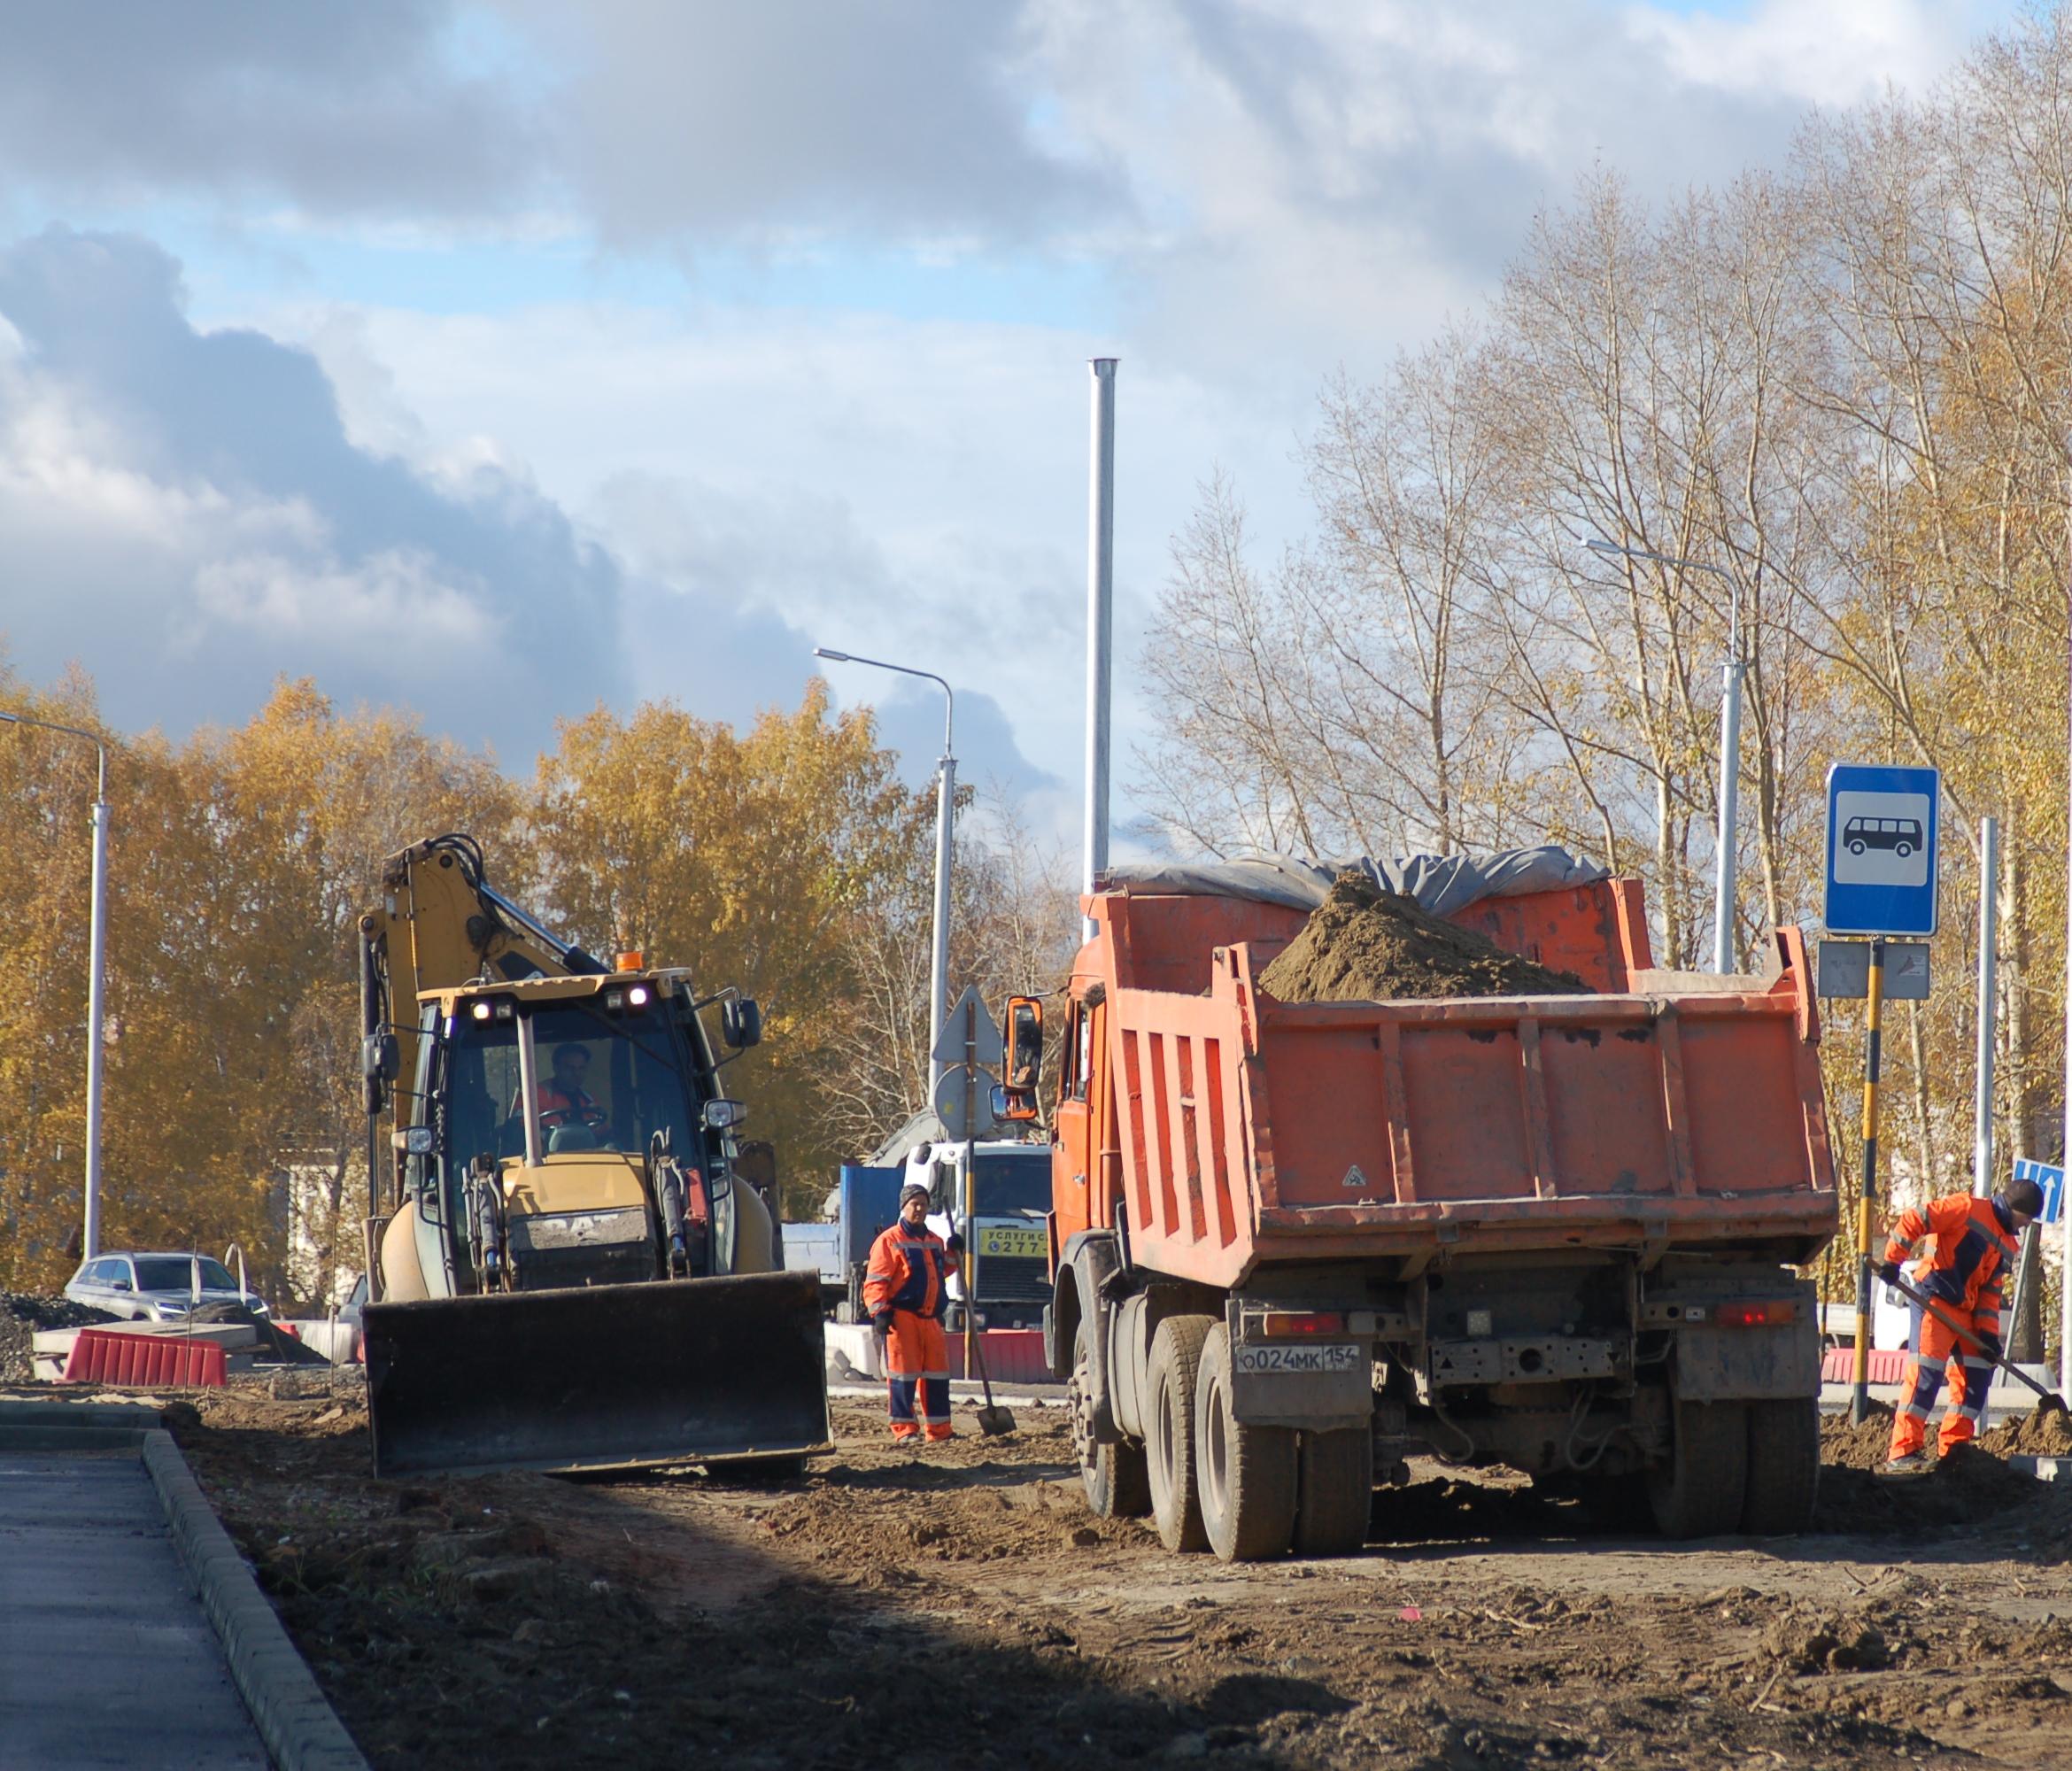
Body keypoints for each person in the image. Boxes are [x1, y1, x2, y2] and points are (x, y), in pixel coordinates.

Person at [1880, 1178, 2043, 1473]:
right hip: (1934, 1298)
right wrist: (1893, 1260)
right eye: (2027, 1219)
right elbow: (1917, 1217)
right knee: (1926, 1377)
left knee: (1976, 1381)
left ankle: (1954, 1454)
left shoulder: (2008, 1243)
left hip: (1966, 1310)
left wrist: (1988, 1336)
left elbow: (1990, 1292)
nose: (2026, 1225)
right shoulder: (1967, 1208)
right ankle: (1903, 1452)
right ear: (2015, 1208)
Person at [862, 1182, 956, 1444]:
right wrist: (880, 1311)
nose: (919, 1209)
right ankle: (905, 1430)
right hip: (902, 1319)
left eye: (923, 1204)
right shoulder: (889, 1240)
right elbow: (875, 1281)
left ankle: (939, 1431)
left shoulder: (934, 1241)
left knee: (937, 1376)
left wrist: (954, 1252)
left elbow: (941, 1272)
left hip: (931, 1320)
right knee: (903, 1377)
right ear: (903, 1207)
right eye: (914, 1204)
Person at [522, 1043, 606, 1134]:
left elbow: (603, 1133)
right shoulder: (535, 1095)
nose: (576, 1073)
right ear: (556, 1068)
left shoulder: (590, 1101)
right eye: (570, 1068)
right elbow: (520, 1127)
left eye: (581, 1068)